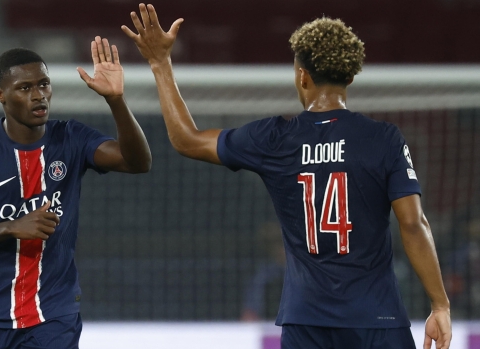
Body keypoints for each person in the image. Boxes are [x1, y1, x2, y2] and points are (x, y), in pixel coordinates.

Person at [122, 4, 451, 349]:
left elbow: (186, 140)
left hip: (306, 321)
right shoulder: (384, 139)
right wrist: (440, 305)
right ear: (350, 76)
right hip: (377, 320)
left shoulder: (275, 139)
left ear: (301, 75)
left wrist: (160, 63)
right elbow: (413, 225)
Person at [0, 37, 151, 349]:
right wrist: (9, 228)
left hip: (52, 316)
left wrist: (116, 100)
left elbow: (138, 162)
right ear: (0, 95)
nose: (38, 95)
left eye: (44, 84)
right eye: (25, 88)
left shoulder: (71, 138)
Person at [240, 221, 286, 322]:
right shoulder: (263, 276)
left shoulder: (308, 272)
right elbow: (249, 315)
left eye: (281, 243)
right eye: (273, 244)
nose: (280, 249)